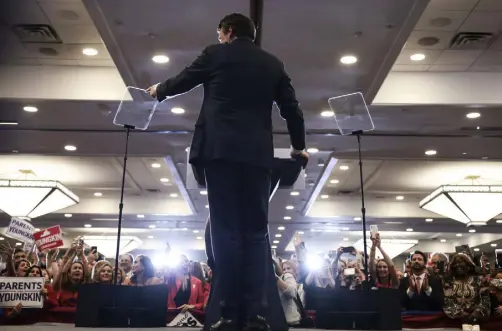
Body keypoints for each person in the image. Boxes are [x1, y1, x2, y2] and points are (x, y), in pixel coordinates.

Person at [147, 13, 307, 331]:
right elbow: (292, 109)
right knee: (257, 234)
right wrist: (298, 147)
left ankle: (229, 312)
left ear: (228, 31)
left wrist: (159, 90)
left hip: (220, 155)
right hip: (257, 158)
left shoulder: (215, 54)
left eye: (220, 33)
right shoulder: (273, 63)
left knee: (225, 233)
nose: (219, 37)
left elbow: (185, 78)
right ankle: (258, 313)